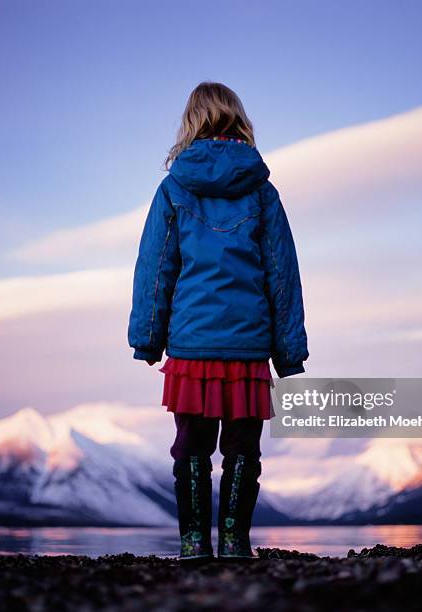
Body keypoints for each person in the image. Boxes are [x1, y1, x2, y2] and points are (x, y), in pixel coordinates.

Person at [128, 81, 309, 562]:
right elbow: (283, 275)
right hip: (249, 346)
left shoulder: (173, 189)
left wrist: (147, 339)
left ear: (191, 123)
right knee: (243, 447)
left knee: (190, 446)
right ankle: (234, 542)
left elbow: (155, 268)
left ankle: (192, 544)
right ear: (239, 120)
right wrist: (289, 353)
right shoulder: (262, 191)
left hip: (191, 344)